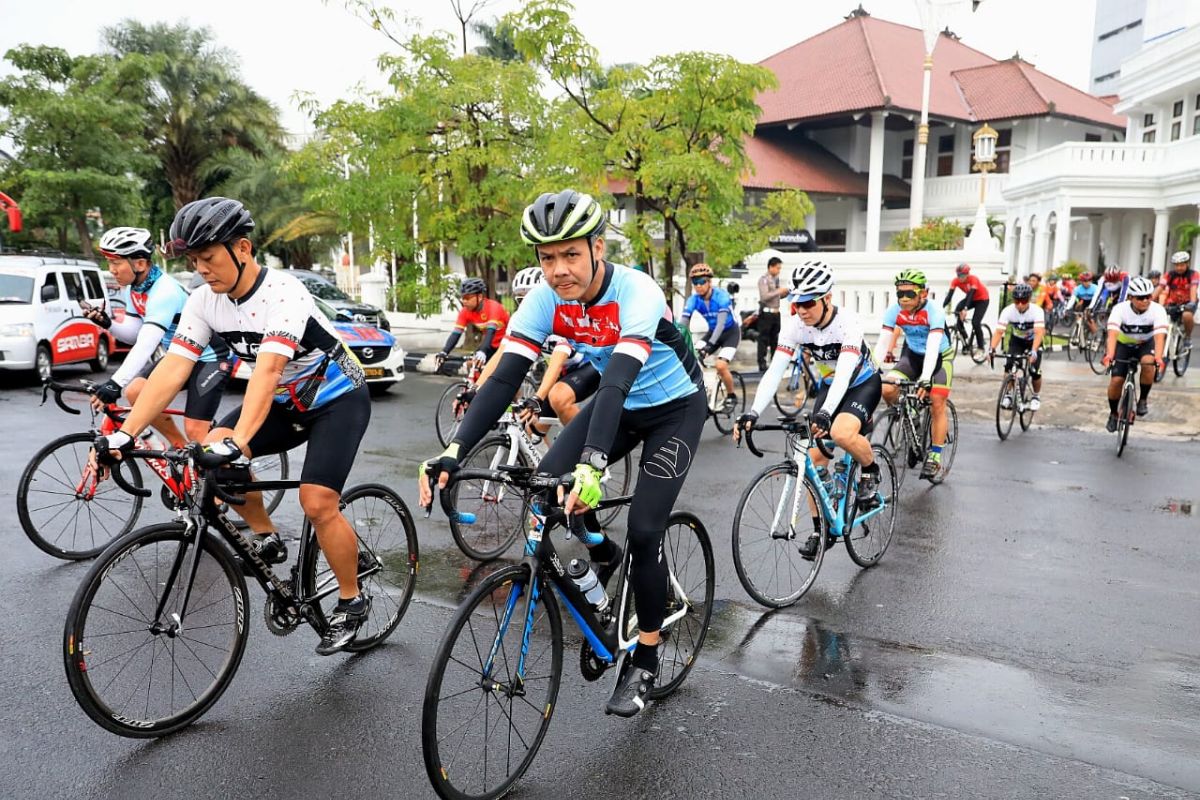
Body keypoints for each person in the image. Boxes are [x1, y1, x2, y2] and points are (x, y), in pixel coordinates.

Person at [419, 189, 706, 718]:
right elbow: (504, 375)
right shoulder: (546, 299)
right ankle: (599, 576)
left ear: (598, 247)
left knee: (645, 530)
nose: (558, 270)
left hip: (673, 408)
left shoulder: (636, 291)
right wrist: (453, 452)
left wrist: (594, 465)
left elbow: (617, 381)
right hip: (619, 405)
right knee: (544, 491)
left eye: (570, 254)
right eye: (547, 258)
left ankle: (645, 656)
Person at [95, 197, 373, 656]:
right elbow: (173, 369)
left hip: (337, 399)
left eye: (209, 257)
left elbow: (266, 371)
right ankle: (266, 536)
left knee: (317, 501)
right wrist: (125, 434)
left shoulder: (284, 293)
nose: (201, 269)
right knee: (213, 453)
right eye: (193, 261)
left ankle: (352, 600)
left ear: (242, 248)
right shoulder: (204, 301)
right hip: (285, 401)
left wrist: (241, 441)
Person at [734, 260, 883, 557]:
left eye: (808, 302)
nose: (801, 309)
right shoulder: (795, 326)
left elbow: (844, 375)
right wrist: (752, 412)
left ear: (828, 298)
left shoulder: (849, 323)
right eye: (796, 302)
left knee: (840, 432)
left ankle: (870, 470)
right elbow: (775, 371)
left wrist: (827, 413)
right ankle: (821, 529)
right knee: (811, 462)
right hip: (831, 385)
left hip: (861, 382)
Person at [85, 227, 233, 445]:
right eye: (110, 263)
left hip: (209, 358)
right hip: (180, 355)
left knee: (197, 432)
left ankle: (244, 476)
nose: (112, 270)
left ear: (140, 264)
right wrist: (109, 325)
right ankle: (179, 449)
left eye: (116, 263)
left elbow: (146, 344)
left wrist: (114, 383)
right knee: (135, 390)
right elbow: (136, 334)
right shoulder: (133, 289)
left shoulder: (164, 291)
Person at [874, 269, 954, 481]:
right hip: (912, 355)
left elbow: (933, 344)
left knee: (937, 401)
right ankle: (911, 416)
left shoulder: (934, 312)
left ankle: (935, 455)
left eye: (909, 294)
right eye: (900, 294)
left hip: (938, 357)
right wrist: (870, 368)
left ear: (923, 294)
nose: (904, 299)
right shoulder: (894, 311)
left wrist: (926, 378)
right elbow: (882, 343)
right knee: (887, 388)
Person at [1100, 275, 1168, 428]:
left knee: (1147, 363)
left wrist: (1158, 358)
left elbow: (1159, 337)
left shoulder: (1158, 310)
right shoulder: (1120, 309)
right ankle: (1113, 413)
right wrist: (1109, 355)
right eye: (1140, 298)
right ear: (1130, 297)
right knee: (1117, 380)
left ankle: (1143, 399)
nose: (1145, 301)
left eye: (1148, 297)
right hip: (1123, 344)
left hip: (1146, 344)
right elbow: (1112, 335)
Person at [680, 263, 740, 409]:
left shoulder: (722, 297)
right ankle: (703, 391)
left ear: (709, 282)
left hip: (729, 333)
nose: (698, 286)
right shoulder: (693, 300)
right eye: (695, 282)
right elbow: (683, 324)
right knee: (693, 357)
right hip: (712, 333)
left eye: (702, 282)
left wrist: (709, 346)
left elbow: (720, 325)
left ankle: (731, 395)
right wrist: (679, 341)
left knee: (720, 365)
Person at [988, 283, 1046, 411]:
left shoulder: (1036, 311)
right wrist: (991, 349)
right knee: (1009, 367)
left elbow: (1039, 332)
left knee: (1034, 371)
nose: (1020, 304)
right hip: (1017, 341)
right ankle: (1008, 394)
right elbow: (999, 332)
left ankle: (1036, 396)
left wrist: (1034, 351)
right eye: (1017, 301)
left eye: (1024, 301)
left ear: (1029, 299)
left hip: (1033, 341)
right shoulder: (1008, 311)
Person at [433, 277, 510, 372]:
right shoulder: (465, 311)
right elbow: (456, 334)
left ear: (480, 297)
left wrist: (483, 351)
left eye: (467, 298)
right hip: (492, 344)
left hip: (508, 344)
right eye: (462, 298)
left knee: (502, 374)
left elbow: (491, 332)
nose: (464, 301)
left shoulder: (493, 307)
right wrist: (444, 352)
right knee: (473, 366)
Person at [944, 263, 990, 350]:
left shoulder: (973, 279)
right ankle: (965, 341)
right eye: (958, 275)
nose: (960, 277)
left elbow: (971, 294)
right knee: (957, 311)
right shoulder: (955, 281)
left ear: (967, 274)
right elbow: (949, 296)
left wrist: (965, 309)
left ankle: (981, 347)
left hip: (982, 299)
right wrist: (942, 307)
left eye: (962, 275)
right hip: (971, 299)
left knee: (975, 322)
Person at [1155, 251, 1197, 341]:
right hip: (1172, 302)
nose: (1179, 268)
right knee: (1163, 320)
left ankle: (1187, 337)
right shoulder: (1169, 274)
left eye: (1181, 265)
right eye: (1177, 265)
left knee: (1187, 316)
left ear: (1187, 264)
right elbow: (1160, 287)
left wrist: (1192, 302)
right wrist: (1149, 299)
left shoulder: (1193, 274)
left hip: (1188, 303)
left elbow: (1193, 288)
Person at [756, 256, 789, 371]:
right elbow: (764, 296)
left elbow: (777, 296)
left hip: (776, 313)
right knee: (764, 339)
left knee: (775, 339)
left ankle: (775, 362)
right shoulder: (764, 279)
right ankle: (762, 362)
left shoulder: (776, 280)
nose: (779, 271)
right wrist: (778, 291)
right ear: (771, 267)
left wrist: (785, 292)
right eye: (777, 268)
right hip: (766, 313)